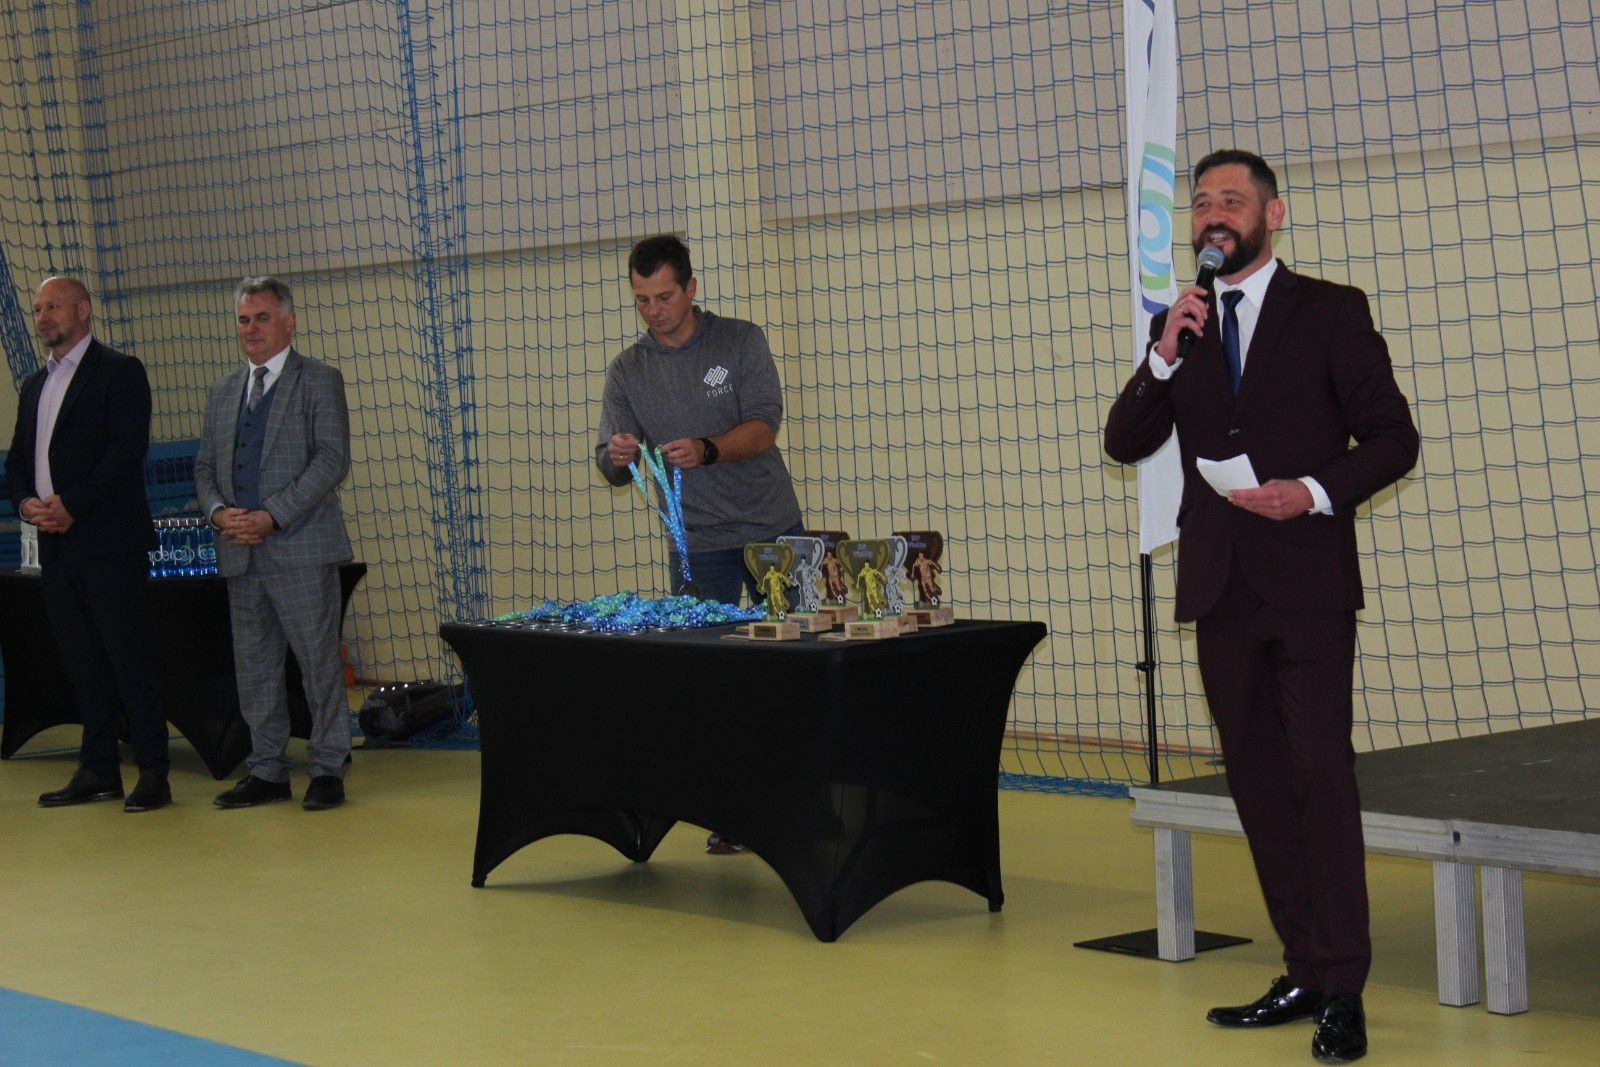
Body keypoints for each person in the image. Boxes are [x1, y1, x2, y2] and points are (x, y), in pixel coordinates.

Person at [1104, 150, 1419, 1065]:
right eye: (1202, 201)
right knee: (1257, 785)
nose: (1213, 214)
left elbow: (1394, 438)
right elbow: (1124, 440)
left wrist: (1312, 491)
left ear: (1271, 215)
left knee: (1321, 776)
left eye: (1232, 200)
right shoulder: (1181, 323)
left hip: (1309, 583)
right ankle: (1304, 968)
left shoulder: (1331, 311)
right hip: (1221, 587)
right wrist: (1162, 356)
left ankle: (1345, 987)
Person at [596, 234, 804, 854]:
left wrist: (709, 449)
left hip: (772, 530)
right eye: (642, 300)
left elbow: (764, 426)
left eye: (664, 296)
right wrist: (617, 456)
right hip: (696, 546)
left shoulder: (740, 341)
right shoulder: (627, 370)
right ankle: (732, 809)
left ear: (690, 288)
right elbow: (610, 464)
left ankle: (804, 798)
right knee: (709, 680)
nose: (653, 310)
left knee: (793, 667)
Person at [6, 277, 171, 812]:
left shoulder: (119, 372)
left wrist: (72, 504)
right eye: (37, 309)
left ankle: (154, 771)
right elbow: (18, 461)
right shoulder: (35, 384)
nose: (42, 317)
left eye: (52, 306)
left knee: (129, 660)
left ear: (83, 309)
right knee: (81, 664)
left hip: (108, 543)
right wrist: (26, 504)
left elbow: (126, 449)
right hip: (56, 548)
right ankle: (98, 768)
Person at [194, 276, 354, 812]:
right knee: (255, 667)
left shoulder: (320, 381)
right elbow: (204, 468)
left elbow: (331, 459)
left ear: (289, 321)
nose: (251, 329)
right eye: (243, 320)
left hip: (301, 548)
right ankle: (267, 770)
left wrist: (273, 516)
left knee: (318, 665)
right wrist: (220, 513)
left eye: (262, 318)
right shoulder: (222, 392)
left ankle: (327, 767)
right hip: (239, 550)